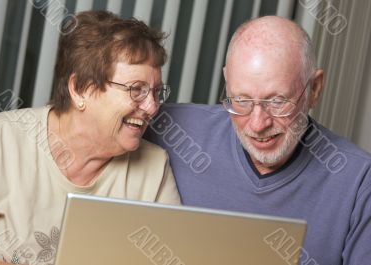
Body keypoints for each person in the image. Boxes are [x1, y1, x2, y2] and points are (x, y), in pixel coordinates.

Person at [145, 16, 371, 265]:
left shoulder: (360, 181)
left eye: (277, 101)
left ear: (314, 89)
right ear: (227, 81)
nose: (257, 124)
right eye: (241, 100)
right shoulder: (168, 128)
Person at [0, 10, 180, 265]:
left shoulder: (154, 168)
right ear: (81, 88)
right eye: (137, 90)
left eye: (157, 92)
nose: (152, 106)